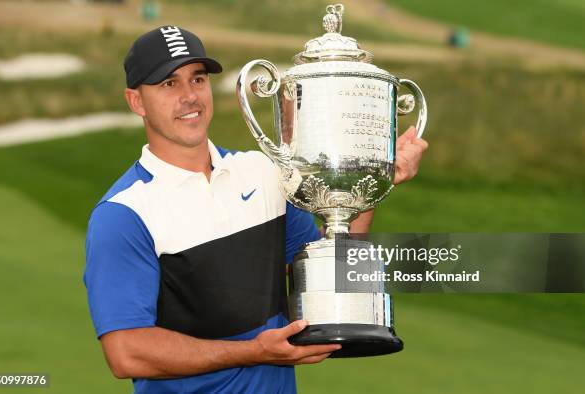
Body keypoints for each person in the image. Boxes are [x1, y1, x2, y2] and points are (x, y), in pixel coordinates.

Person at [84, 26, 428, 394]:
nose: (189, 97)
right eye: (169, 84)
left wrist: (373, 178)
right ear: (136, 101)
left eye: (197, 79)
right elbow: (126, 354)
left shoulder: (263, 173)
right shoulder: (124, 214)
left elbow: (333, 277)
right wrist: (254, 352)